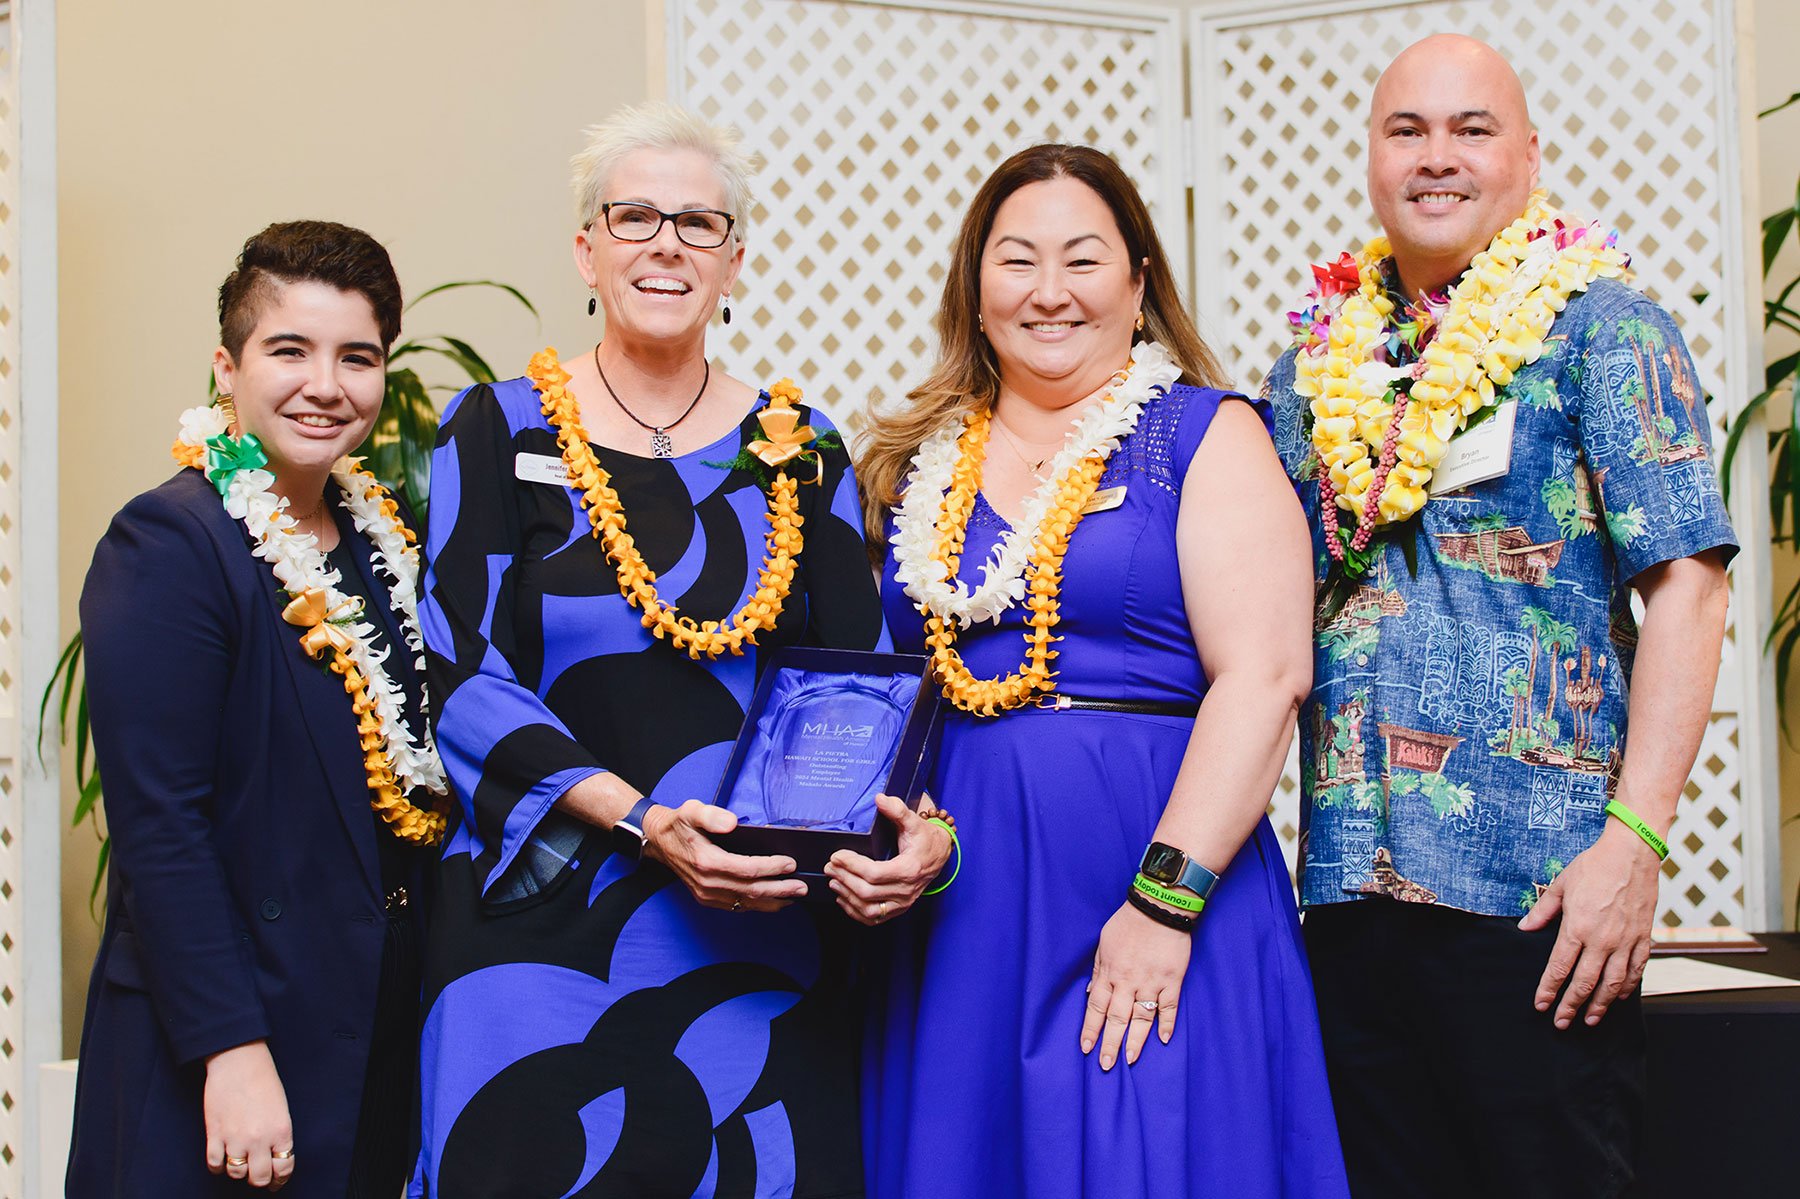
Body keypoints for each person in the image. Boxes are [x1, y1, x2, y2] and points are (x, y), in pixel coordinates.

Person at [412, 102, 951, 1198]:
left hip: (754, 937)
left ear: (735, 260)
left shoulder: (801, 454)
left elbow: (860, 688)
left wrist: (913, 831)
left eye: (700, 224)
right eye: (637, 216)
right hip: (542, 925)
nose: (667, 242)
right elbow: (458, 670)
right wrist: (644, 818)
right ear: (588, 250)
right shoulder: (497, 426)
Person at [1267, 34, 1736, 1198]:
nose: (1438, 158)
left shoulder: (1607, 330)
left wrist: (1634, 844)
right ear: (1372, 159)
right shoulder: (1309, 365)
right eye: (1407, 131)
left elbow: (1691, 585)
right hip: (1345, 893)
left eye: (1471, 130)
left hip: (1538, 901)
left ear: (1529, 154)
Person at [857, 143, 1349, 1198]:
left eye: (1082, 260)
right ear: (973, 288)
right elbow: (887, 690)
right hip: (964, 908)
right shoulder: (910, 460)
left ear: (1137, 283)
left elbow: (1266, 678)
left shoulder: (1206, 437)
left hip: (1162, 873)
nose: (1047, 292)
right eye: (1015, 260)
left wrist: (1164, 904)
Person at [66, 221, 446, 1196]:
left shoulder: (381, 546)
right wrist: (231, 1052)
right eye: (290, 350)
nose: (326, 384)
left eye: (357, 356)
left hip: (361, 1036)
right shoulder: (169, 542)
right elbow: (162, 830)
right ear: (227, 368)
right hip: (225, 1049)